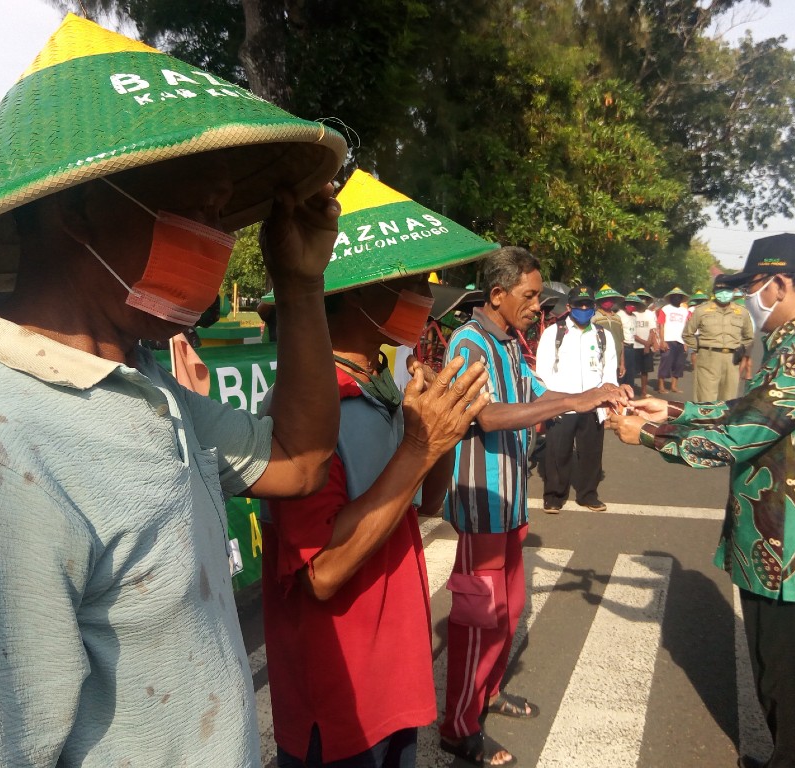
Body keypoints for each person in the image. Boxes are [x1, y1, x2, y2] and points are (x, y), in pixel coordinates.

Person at [0, 14, 349, 767]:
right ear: (77, 209)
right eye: (198, 210)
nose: (220, 245)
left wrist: (300, 282)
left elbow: (299, 460)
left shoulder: (138, 384)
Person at [610, 233, 795, 768]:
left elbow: (746, 432)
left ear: (779, 283)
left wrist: (649, 437)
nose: (751, 299)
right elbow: (753, 409)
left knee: (794, 686)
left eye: (754, 286)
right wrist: (676, 412)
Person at [261, 271, 489, 767]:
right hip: (341, 688)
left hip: (394, 667)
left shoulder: (382, 388)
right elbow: (321, 573)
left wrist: (443, 429)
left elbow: (426, 503)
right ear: (356, 291)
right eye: (411, 286)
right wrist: (419, 445)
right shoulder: (307, 407)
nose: (427, 301)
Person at [440, 247, 627, 767]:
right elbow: (491, 415)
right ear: (496, 295)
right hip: (482, 499)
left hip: (511, 498)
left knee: (510, 607)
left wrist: (595, 393)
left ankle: (489, 693)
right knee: (479, 616)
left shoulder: (510, 340)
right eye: (527, 296)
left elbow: (536, 390)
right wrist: (572, 401)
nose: (536, 304)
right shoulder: (469, 343)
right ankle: (458, 726)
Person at [534, 285, 617, 512]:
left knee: (591, 452)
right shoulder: (554, 333)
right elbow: (543, 370)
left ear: (594, 307)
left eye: (587, 305)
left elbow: (609, 369)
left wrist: (608, 397)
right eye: (578, 304)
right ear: (569, 306)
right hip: (563, 403)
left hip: (593, 404)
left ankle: (588, 494)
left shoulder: (603, 335)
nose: (583, 308)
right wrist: (551, 402)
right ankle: (554, 496)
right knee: (556, 452)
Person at [682, 276, 754, 402]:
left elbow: (749, 337)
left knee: (729, 399)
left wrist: (741, 349)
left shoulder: (742, 312)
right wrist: (700, 347)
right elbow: (687, 334)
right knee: (705, 398)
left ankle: (723, 422)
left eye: (727, 289)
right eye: (720, 289)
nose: (724, 293)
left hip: (732, 359)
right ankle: (704, 421)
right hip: (708, 357)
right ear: (714, 291)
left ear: (733, 291)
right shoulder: (702, 310)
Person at [656, 286, 690, 394]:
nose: (676, 299)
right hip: (668, 340)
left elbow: (688, 326)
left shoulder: (685, 311)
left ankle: (674, 386)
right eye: (674, 297)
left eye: (678, 297)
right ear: (670, 298)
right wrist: (662, 341)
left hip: (681, 341)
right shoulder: (665, 309)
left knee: (679, 365)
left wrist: (686, 342)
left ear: (681, 299)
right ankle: (661, 386)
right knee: (665, 363)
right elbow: (661, 325)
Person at [593, 284, 626, 381]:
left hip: (616, 358)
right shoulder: (594, 317)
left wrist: (622, 363)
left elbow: (621, 342)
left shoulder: (618, 318)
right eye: (604, 299)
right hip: (600, 358)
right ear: (599, 301)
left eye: (610, 299)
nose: (607, 302)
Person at [632, 288, 660, 397]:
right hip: (635, 346)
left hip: (646, 347)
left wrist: (649, 344)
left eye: (644, 300)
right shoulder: (633, 314)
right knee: (633, 371)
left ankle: (643, 391)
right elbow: (632, 333)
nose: (642, 302)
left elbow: (652, 330)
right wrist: (645, 343)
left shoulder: (650, 314)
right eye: (640, 299)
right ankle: (631, 391)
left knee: (645, 371)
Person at [617, 292, 642, 389]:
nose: (632, 306)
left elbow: (634, 334)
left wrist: (645, 343)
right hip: (624, 346)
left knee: (631, 374)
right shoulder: (620, 315)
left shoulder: (634, 317)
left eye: (634, 304)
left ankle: (629, 394)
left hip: (632, 347)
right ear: (625, 305)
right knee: (622, 372)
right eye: (629, 304)